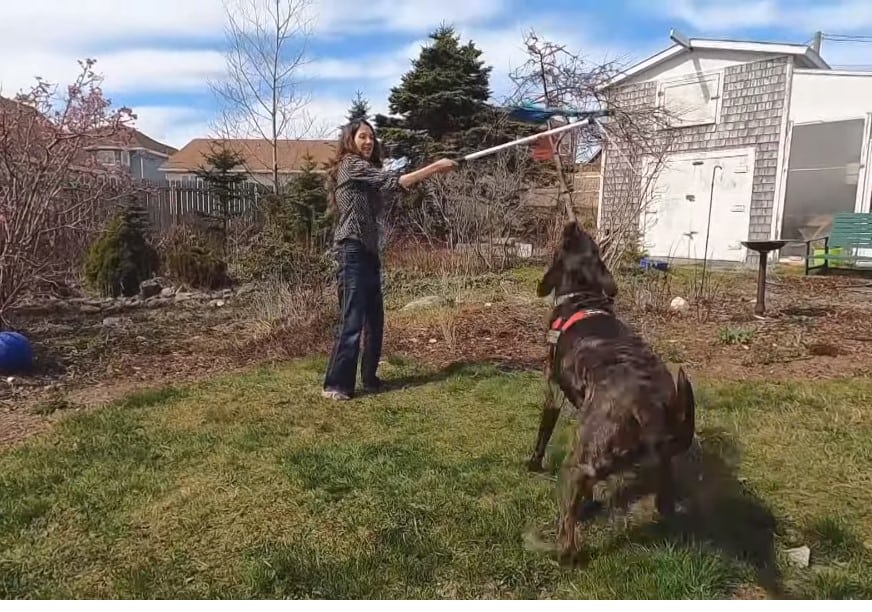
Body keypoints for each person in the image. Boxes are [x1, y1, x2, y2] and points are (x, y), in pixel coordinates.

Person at [322, 118, 458, 400]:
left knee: (375, 320)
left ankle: (370, 379)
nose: (368, 142)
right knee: (353, 320)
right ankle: (336, 385)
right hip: (352, 251)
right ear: (350, 140)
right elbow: (396, 181)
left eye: (371, 137)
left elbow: (391, 183)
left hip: (369, 253)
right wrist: (436, 167)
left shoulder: (367, 172)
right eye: (362, 137)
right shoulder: (351, 165)